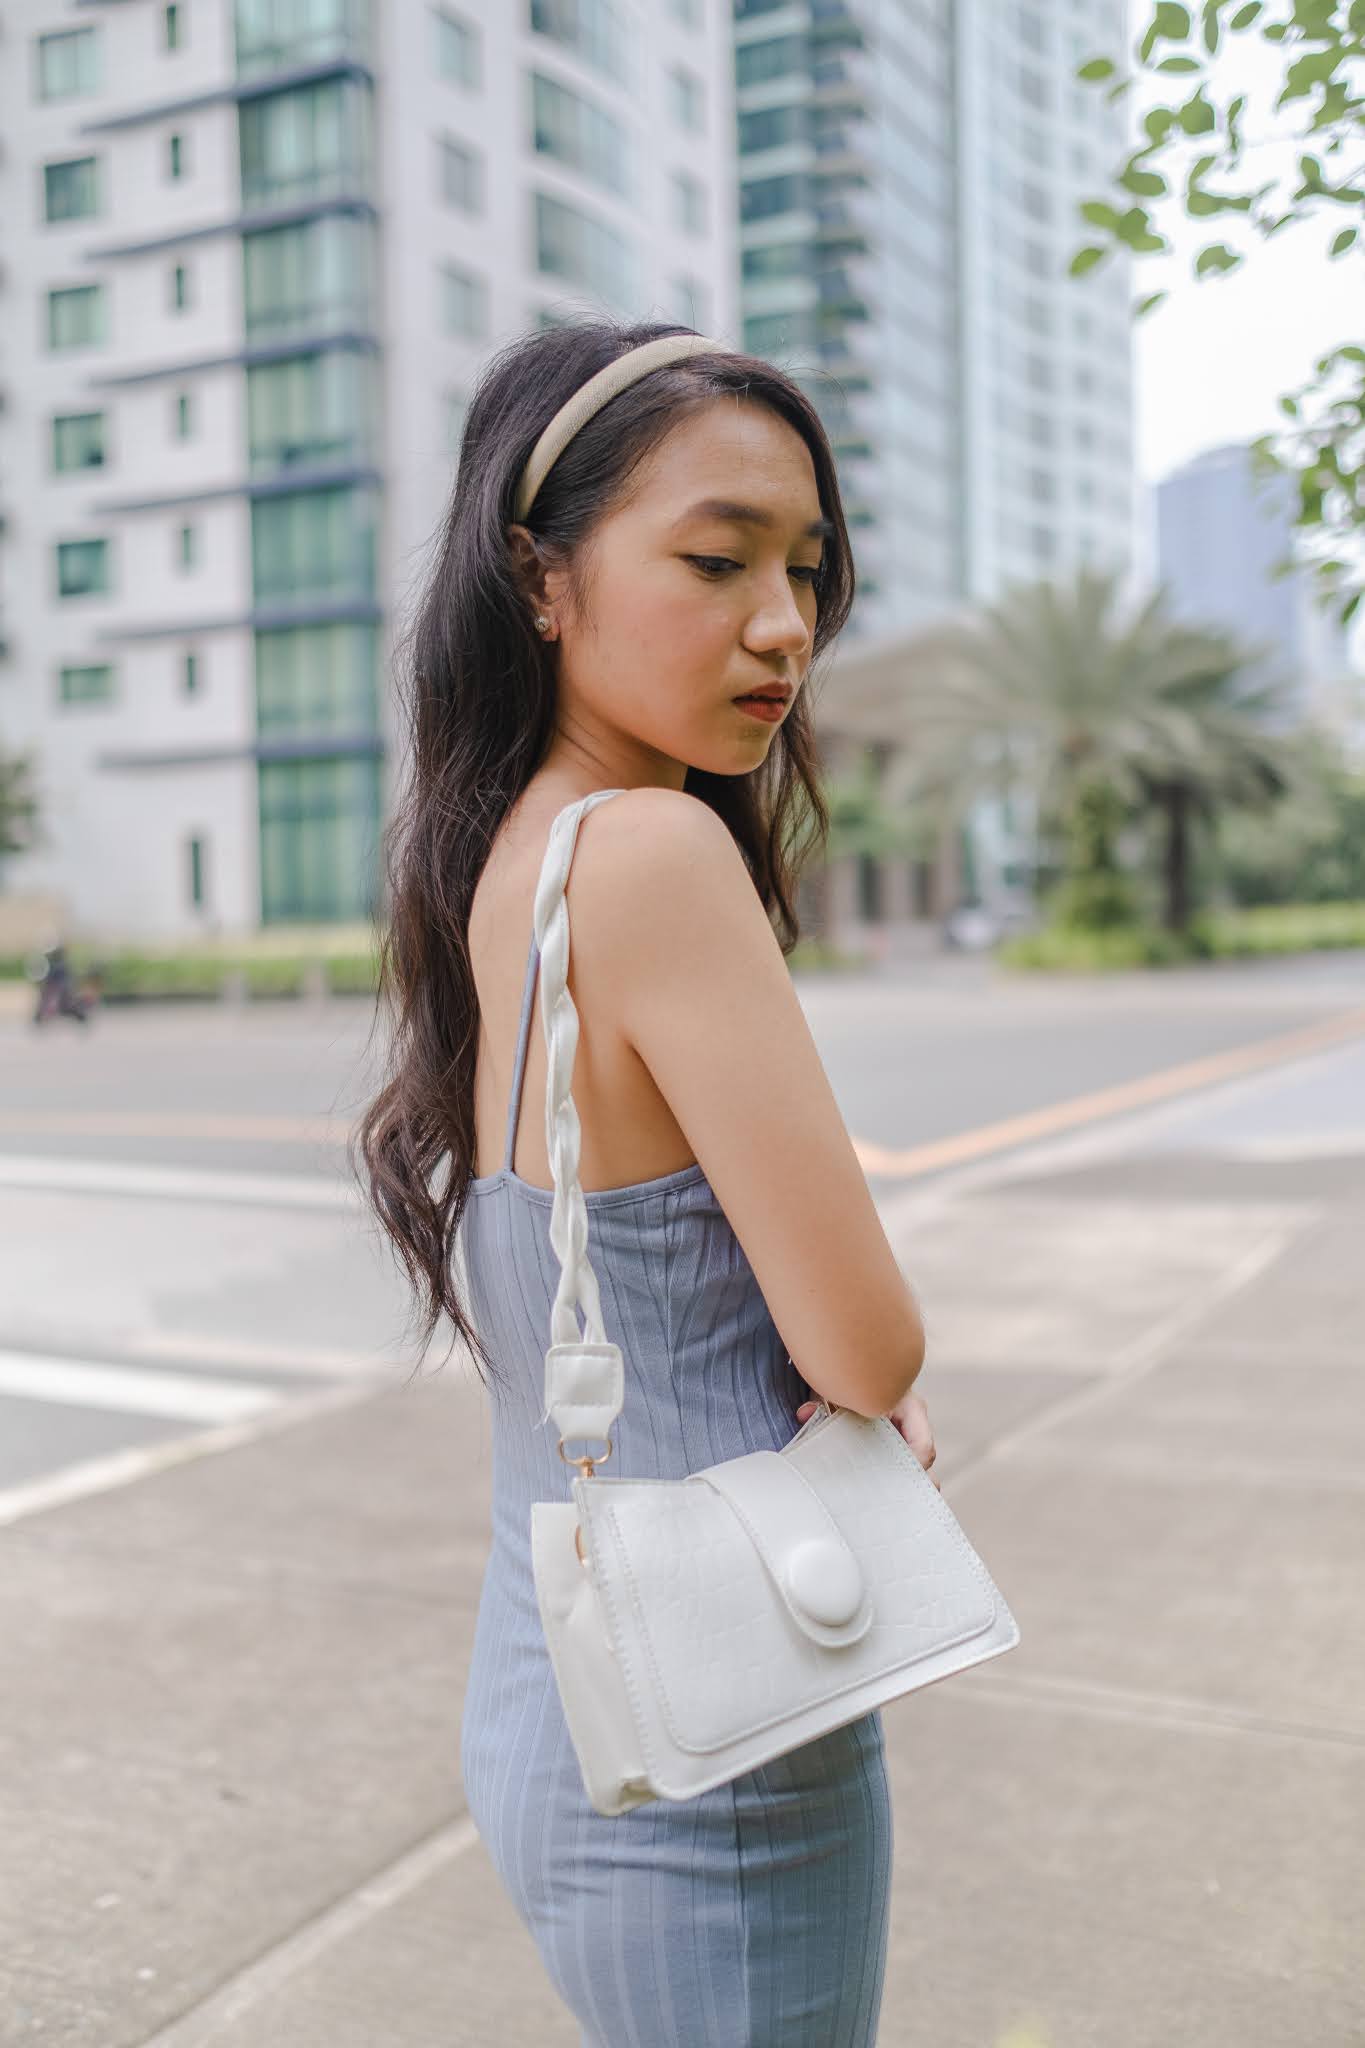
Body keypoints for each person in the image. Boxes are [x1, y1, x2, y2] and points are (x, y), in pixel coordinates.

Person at [354, 321, 935, 2046]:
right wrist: (860, 1380)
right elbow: (870, 1352)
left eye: (809, 569)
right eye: (717, 558)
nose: (785, 623)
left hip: (566, 1692)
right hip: (721, 1739)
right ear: (538, 580)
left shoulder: (508, 858)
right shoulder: (658, 853)